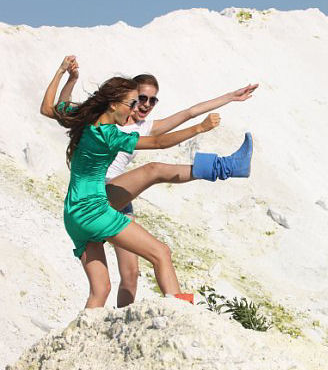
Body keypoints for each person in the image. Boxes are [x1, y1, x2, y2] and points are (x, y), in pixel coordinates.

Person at [40, 56, 257, 309]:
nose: (140, 106)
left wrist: (66, 74)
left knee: (109, 286)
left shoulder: (87, 121)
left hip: (76, 212)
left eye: (151, 100)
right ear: (114, 103)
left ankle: (92, 332)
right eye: (136, 101)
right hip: (96, 206)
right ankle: (180, 315)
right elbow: (158, 143)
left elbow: (53, 107)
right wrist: (198, 129)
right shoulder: (110, 134)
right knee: (160, 247)